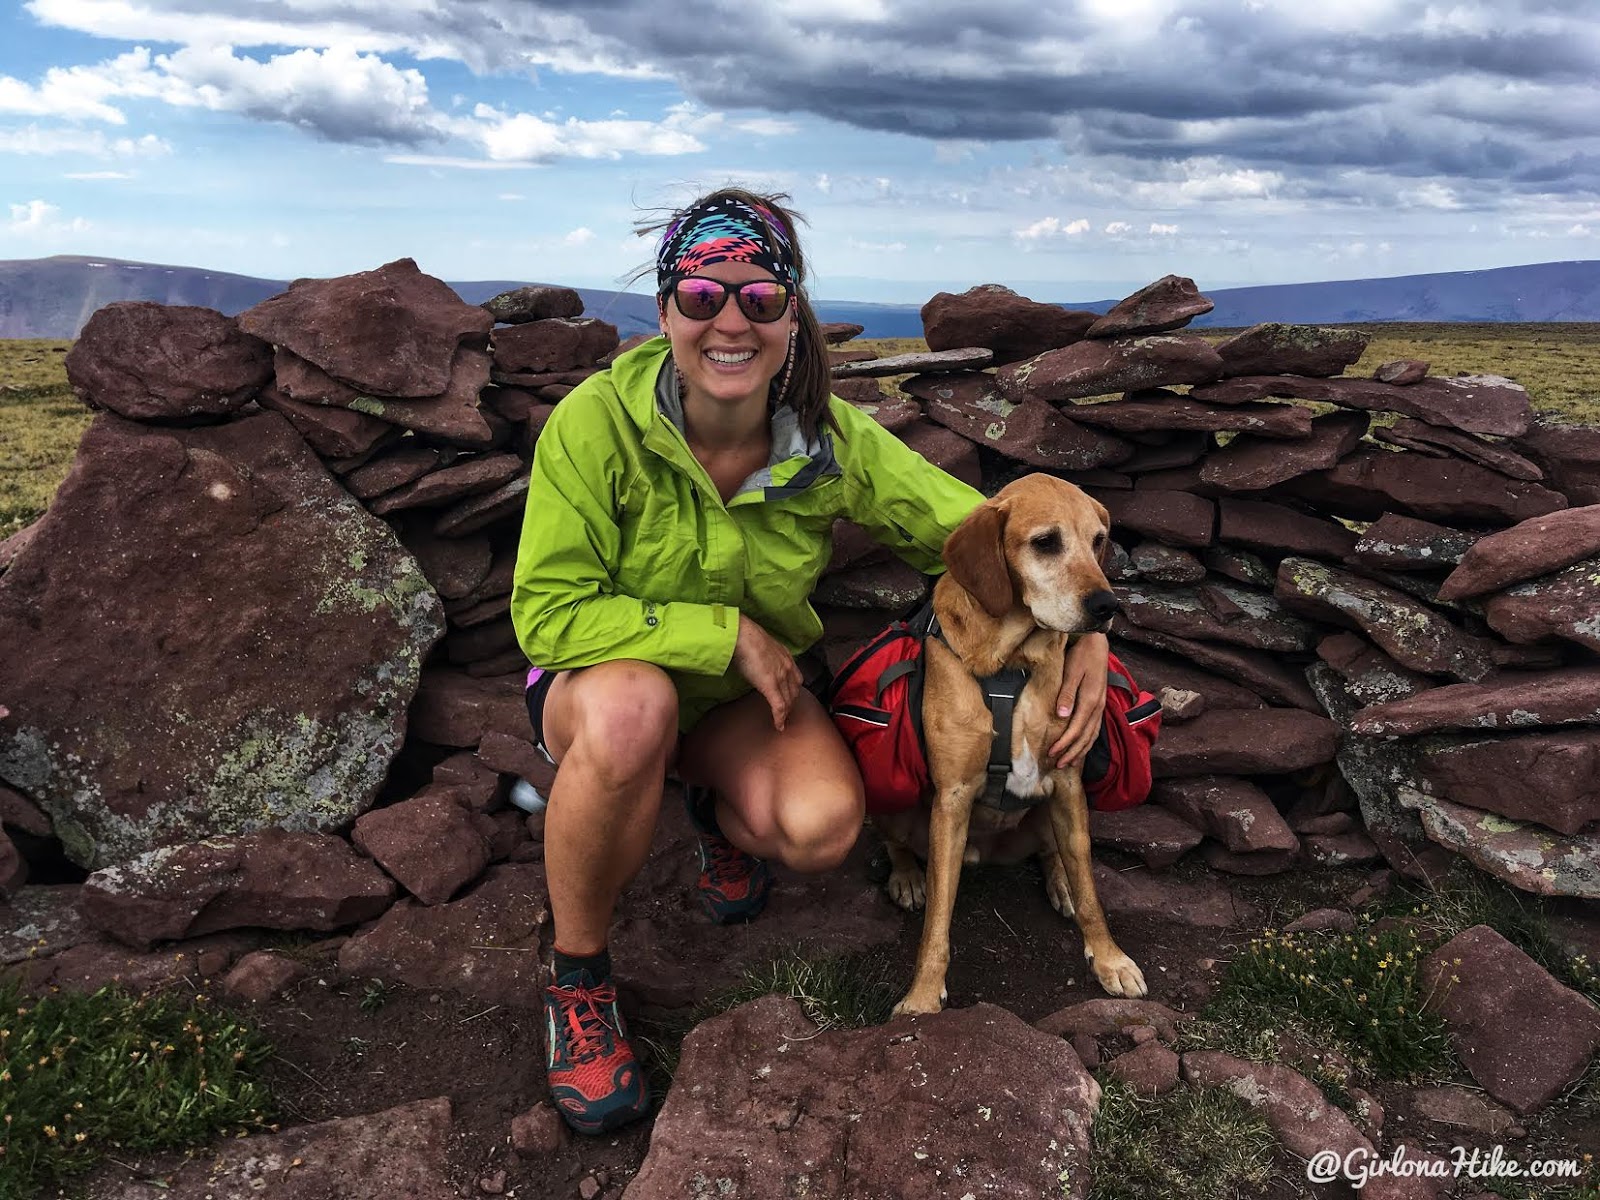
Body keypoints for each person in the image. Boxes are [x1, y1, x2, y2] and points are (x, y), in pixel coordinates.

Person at [509, 187, 1111, 1134]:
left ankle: (707, 805)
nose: (731, 321)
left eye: (760, 296)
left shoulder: (829, 438)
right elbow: (548, 613)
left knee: (825, 828)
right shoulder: (596, 427)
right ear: (666, 308)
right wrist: (723, 635)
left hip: (747, 707)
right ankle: (579, 981)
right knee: (633, 715)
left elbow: (985, 532)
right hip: (600, 688)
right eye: (703, 296)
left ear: (793, 313)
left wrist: (1089, 634)